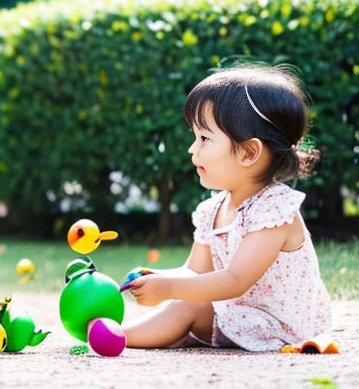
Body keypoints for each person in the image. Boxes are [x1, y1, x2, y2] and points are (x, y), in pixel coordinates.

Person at [121, 64, 332, 352]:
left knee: (188, 307)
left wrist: (169, 289)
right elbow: (194, 271)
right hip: (236, 314)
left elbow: (235, 280)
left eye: (204, 139)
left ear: (249, 152)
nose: (192, 149)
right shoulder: (214, 209)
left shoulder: (275, 210)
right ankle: (123, 333)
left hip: (277, 325)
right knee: (187, 305)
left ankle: (115, 337)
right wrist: (159, 278)